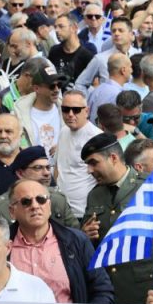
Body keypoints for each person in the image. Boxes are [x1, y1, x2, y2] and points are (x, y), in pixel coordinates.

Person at [82, 133, 153, 304]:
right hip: (110, 287)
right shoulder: (94, 196)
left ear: (113, 158)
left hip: (144, 287)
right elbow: (93, 245)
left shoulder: (150, 185)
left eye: (93, 163)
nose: (89, 170)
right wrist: (85, 236)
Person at [8, 179, 115, 304]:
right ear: (12, 212)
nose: (35, 206)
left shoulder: (76, 241)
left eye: (41, 199)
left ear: (49, 205)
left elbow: (102, 289)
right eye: (26, 202)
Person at [0, 145, 79, 227]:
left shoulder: (59, 199)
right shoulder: (0, 209)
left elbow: (75, 237)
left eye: (48, 167)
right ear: (20, 173)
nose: (47, 173)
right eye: (38, 168)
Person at [56, 90, 102, 218]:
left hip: (83, 212)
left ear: (86, 111)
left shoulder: (96, 137)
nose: (70, 114)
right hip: (61, 209)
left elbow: (103, 177)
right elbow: (58, 166)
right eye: (65, 109)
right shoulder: (63, 131)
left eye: (76, 110)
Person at [12, 58, 64, 152]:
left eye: (59, 85)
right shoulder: (19, 112)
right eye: (51, 86)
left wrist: (63, 148)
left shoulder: (67, 110)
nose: (56, 90)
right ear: (36, 88)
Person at [48, 14, 93, 87]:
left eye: (61, 26)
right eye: (55, 27)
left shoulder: (87, 54)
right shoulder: (54, 51)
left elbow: (95, 83)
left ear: (74, 27)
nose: (56, 30)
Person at [87, 53, 131, 122]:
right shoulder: (118, 94)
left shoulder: (96, 90)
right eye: (130, 67)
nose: (132, 71)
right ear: (123, 70)